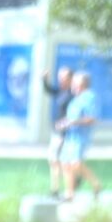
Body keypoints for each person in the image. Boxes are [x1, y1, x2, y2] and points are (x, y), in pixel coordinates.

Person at [59, 71, 102, 202]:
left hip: (80, 137)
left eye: (74, 83)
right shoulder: (76, 99)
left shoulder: (90, 97)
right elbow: (72, 117)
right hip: (70, 136)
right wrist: (63, 123)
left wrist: (72, 122)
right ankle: (69, 193)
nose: (71, 85)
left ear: (81, 84)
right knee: (65, 164)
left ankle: (96, 184)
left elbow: (92, 118)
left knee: (76, 164)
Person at [42, 66, 72, 196]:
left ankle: (60, 188)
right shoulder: (60, 91)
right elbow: (48, 90)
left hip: (63, 134)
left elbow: (73, 115)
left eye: (63, 78)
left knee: (57, 160)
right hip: (56, 132)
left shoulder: (72, 95)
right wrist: (44, 79)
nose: (60, 80)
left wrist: (64, 127)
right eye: (59, 77)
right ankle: (56, 188)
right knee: (53, 160)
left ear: (70, 79)